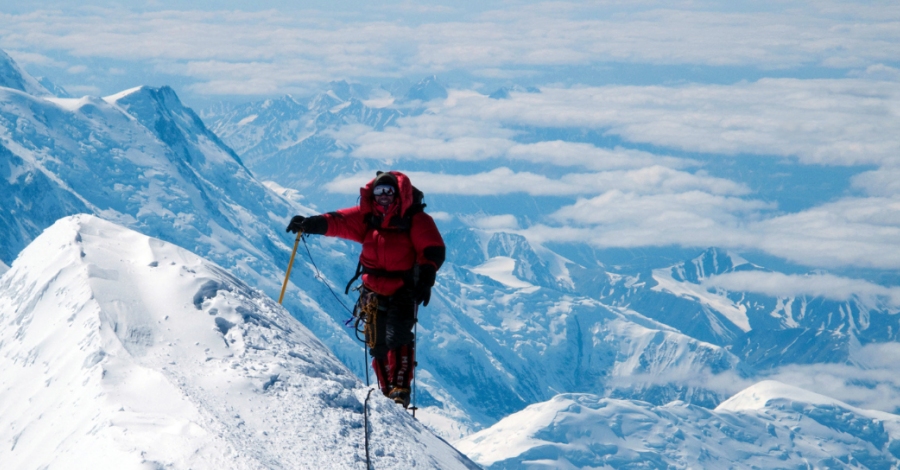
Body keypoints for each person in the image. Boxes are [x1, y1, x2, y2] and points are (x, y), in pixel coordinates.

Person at [286, 171, 445, 408]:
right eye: (379, 192)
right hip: (373, 289)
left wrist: (426, 278)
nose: (383, 197)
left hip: (404, 288)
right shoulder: (367, 216)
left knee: (397, 337)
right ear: (373, 194)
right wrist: (309, 224)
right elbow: (337, 221)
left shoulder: (414, 218)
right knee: (378, 343)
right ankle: (388, 391)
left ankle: (400, 390)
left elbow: (431, 248)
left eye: (388, 192)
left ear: (398, 194)